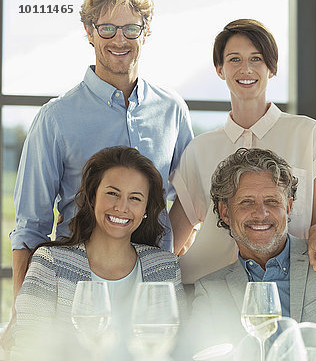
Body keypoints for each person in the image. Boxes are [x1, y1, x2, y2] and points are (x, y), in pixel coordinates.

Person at [9, 0, 193, 300]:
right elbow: (30, 227)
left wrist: (160, 254)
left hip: (153, 287)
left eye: (130, 29)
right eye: (107, 28)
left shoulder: (172, 109)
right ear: (89, 31)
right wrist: (20, 313)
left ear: (146, 32)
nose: (119, 39)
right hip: (74, 285)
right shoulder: (55, 118)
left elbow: (192, 197)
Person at [169, 19, 316, 284]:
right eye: (234, 59)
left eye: (256, 59)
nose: (246, 69)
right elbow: (170, 239)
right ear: (220, 69)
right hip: (208, 289)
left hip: (288, 289)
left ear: (271, 69)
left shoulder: (309, 134)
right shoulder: (199, 149)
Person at [187, 148, 316, 360]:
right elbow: (203, 356)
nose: (261, 213)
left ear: (288, 207)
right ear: (225, 212)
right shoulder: (210, 291)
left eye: (272, 201)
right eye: (247, 202)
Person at [10, 146, 186, 357]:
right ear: (92, 197)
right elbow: (27, 351)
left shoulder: (165, 266)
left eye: (135, 198)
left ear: (146, 209)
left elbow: (178, 349)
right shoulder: (49, 264)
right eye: (112, 193)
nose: (122, 207)